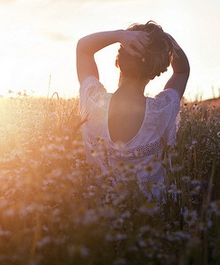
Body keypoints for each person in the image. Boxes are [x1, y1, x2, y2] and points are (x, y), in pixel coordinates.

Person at [77, 21, 190, 198]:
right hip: (153, 218)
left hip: (99, 218)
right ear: (156, 70)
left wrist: (119, 35)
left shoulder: (93, 101)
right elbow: (181, 71)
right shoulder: (162, 110)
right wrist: (168, 42)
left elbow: (83, 48)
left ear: (118, 61)